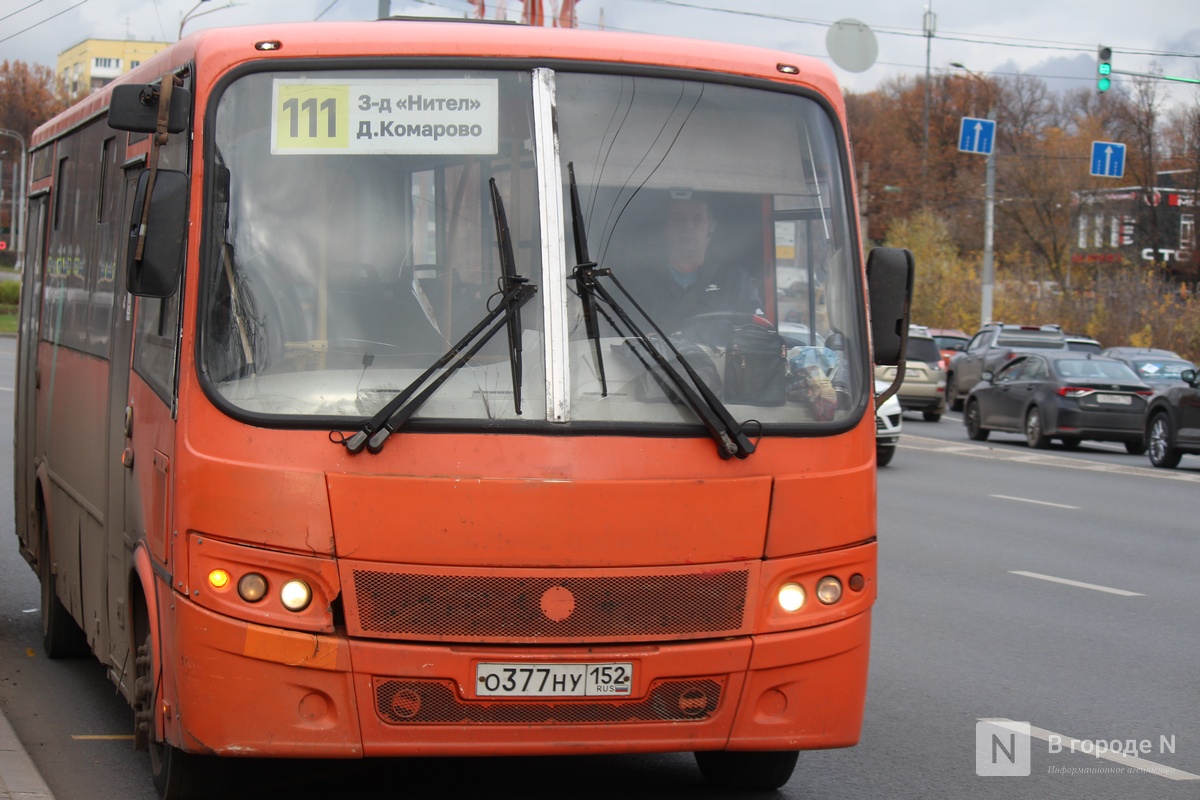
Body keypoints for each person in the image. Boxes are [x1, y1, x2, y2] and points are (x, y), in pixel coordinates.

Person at [621, 192, 764, 338]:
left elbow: (757, 337)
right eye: (679, 219)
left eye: (697, 219)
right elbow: (628, 339)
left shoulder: (735, 281)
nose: (688, 226)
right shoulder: (637, 284)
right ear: (665, 228)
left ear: (710, 228)